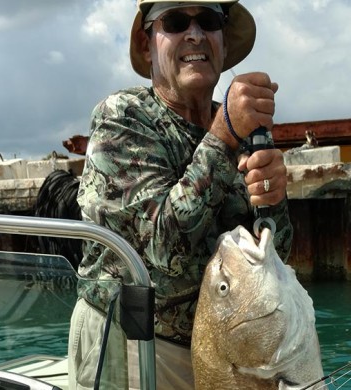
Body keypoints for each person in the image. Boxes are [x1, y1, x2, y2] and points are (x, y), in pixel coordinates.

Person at [67, 0, 293, 388]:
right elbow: (162, 248)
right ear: (147, 44)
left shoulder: (241, 129)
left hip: (228, 351)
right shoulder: (122, 116)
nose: (195, 34)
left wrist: (274, 202)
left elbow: (276, 257)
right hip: (134, 344)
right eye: (174, 21)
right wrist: (222, 137)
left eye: (208, 20)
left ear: (222, 41)